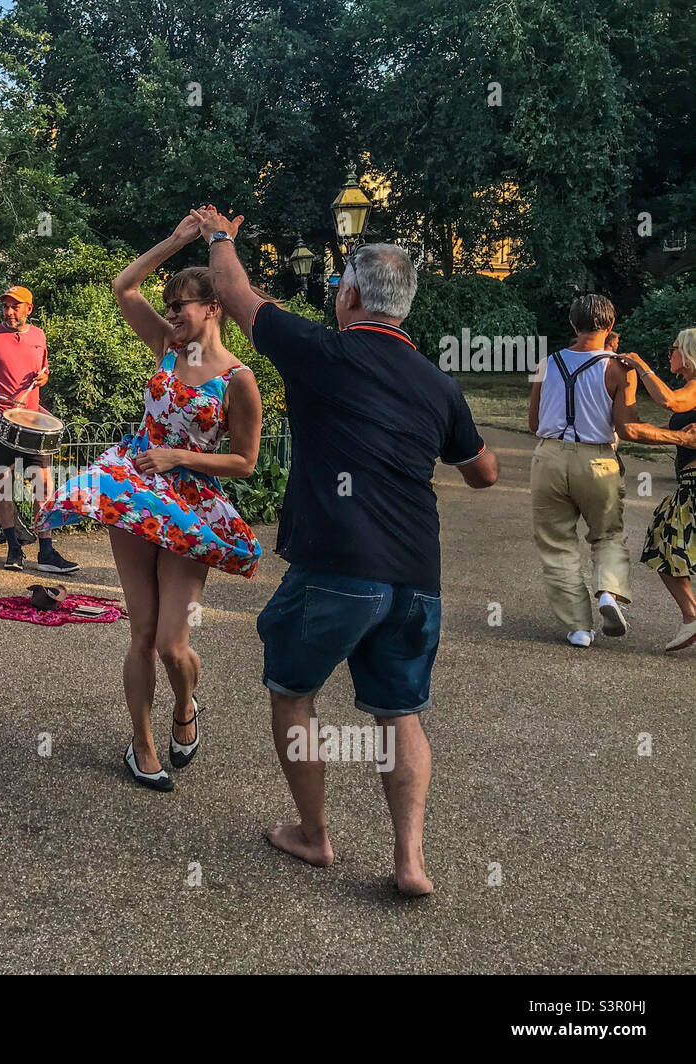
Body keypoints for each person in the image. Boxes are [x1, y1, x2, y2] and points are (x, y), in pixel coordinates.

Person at [200, 206, 499, 895]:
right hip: (416, 575)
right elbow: (482, 472)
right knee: (401, 713)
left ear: (352, 296)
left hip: (337, 567)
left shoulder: (319, 350)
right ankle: (410, 860)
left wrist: (220, 234)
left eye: (340, 283)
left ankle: (313, 834)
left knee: (293, 691)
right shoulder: (438, 383)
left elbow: (235, 290)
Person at [35, 215, 264, 793]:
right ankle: (140, 744)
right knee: (140, 634)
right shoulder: (165, 344)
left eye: (182, 305)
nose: (172, 315)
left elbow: (244, 463)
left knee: (172, 643)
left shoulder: (239, 380)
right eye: (170, 306)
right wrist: (181, 240)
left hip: (188, 504)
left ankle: (185, 708)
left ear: (213, 307)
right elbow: (123, 287)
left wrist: (181, 459)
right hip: (134, 490)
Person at [527, 295, 696, 646]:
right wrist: (678, 436)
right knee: (607, 535)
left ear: (573, 325)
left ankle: (578, 628)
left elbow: (533, 422)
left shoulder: (546, 363)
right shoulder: (619, 369)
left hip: (548, 458)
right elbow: (628, 430)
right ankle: (608, 592)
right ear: (611, 327)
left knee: (557, 543)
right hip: (597, 461)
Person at [0, 286, 78, 573]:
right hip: (0, 418)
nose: (9, 312)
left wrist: (44, 378)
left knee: (42, 486)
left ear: (29, 308)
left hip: (33, 422)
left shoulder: (39, 336)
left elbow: (44, 371)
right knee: (3, 485)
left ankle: (47, 551)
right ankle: (13, 549)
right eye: (5, 306)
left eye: (15, 306)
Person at [612, 330, 696, 650]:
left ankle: (691, 617)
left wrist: (639, 364)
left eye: (673, 349)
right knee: (663, 543)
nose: (670, 354)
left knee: (665, 542)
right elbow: (658, 420)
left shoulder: (695, 387)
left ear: (687, 353)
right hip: (688, 486)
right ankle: (691, 617)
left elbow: (668, 401)